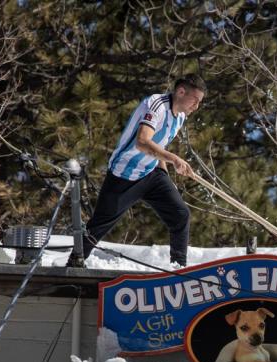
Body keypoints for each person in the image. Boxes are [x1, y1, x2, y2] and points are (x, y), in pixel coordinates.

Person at [67, 74, 206, 268]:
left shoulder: (180, 117)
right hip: (124, 175)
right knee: (98, 226)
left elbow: (159, 146)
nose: (196, 106)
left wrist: (165, 177)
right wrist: (174, 159)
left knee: (180, 214)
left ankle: (178, 268)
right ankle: (74, 263)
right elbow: (142, 142)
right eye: (195, 100)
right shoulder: (156, 105)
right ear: (181, 92)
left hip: (151, 172)